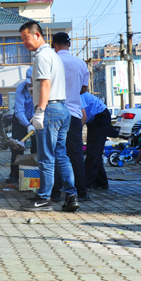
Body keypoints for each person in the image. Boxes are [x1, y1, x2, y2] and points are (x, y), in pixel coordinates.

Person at [18, 21, 79, 213]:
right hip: (62, 108)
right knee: (61, 155)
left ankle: (44, 198)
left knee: (45, 157)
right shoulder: (53, 55)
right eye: (22, 39)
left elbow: (45, 84)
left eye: (26, 38)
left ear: (37, 35)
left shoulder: (42, 56)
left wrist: (40, 111)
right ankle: (71, 196)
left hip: (50, 110)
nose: (24, 43)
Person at [51, 32, 90, 201]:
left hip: (54, 113)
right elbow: (84, 89)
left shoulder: (51, 60)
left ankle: (54, 193)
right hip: (73, 114)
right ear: (69, 44)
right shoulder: (80, 63)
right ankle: (81, 192)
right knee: (76, 155)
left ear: (54, 45)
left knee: (54, 153)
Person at [9, 67, 37, 182]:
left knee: (36, 147)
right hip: (21, 119)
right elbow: (19, 111)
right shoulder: (21, 88)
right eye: (28, 82)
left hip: (36, 119)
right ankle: (14, 175)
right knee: (17, 148)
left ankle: (34, 175)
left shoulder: (42, 87)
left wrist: (36, 121)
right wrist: (27, 125)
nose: (30, 85)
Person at [81, 92, 111, 190]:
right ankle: (101, 182)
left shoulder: (75, 94)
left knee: (93, 151)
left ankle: (86, 183)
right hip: (95, 117)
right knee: (94, 151)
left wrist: (76, 133)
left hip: (100, 116)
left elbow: (83, 117)